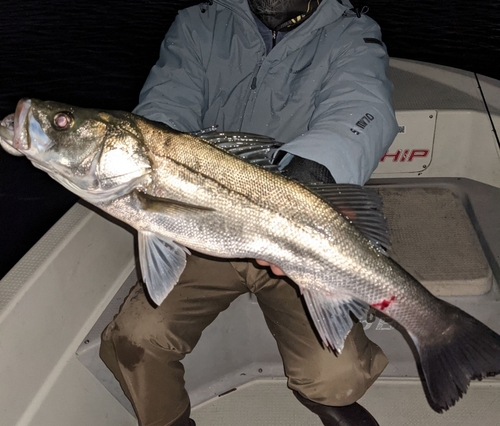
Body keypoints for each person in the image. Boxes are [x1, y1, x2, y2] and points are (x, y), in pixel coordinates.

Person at [100, 0, 399, 425]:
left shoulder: (350, 32)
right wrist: (152, 163)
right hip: (201, 220)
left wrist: (309, 173)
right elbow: (166, 105)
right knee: (135, 338)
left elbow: (364, 107)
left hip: (300, 229)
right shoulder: (200, 23)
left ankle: (325, 395)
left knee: (338, 378)